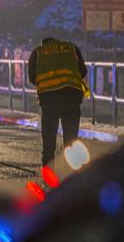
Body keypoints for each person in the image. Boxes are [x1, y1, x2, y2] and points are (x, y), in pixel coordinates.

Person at [28, 36, 88, 166]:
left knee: (49, 141)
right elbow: (83, 71)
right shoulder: (71, 48)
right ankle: (72, 174)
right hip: (72, 98)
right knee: (71, 140)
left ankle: (49, 177)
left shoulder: (38, 52)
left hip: (49, 101)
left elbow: (32, 77)